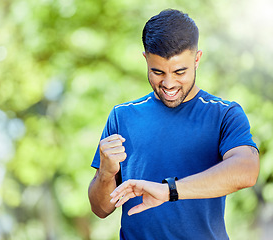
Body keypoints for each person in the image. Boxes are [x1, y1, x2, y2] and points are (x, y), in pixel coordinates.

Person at [88, 9, 259, 240]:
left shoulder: (224, 114)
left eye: (180, 72)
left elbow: (247, 170)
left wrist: (169, 191)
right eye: (157, 72)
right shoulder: (122, 116)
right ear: (145, 59)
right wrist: (106, 174)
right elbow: (100, 209)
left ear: (197, 59)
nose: (169, 84)